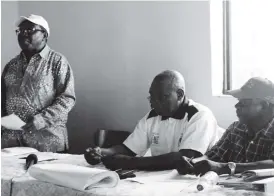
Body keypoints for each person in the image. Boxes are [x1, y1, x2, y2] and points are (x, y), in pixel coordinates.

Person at [85, 70, 224, 171]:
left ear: (180, 94)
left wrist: (130, 163)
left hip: (193, 181)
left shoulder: (200, 116)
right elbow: (128, 149)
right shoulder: (153, 116)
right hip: (162, 179)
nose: (153, 102)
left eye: (160, 97)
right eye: (151, 97)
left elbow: (184, 159)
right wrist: (101, 152)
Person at [1, 14, 76, 152]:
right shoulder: (10, 66)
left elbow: (67, 99)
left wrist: (41, 119)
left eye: (30, 30)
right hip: (11, 145)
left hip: (47, 143)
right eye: (20, 31)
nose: (23, 34)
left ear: (45, 35)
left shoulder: (58, 62)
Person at [184, 77, 274, 176]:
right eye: (238, 101)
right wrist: (192, 162)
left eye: (244, 102)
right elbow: (214, 156)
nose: (237, 106)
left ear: (265, 105)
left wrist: (226, 167)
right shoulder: (236, 128)